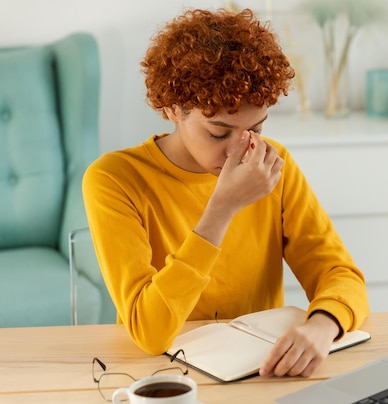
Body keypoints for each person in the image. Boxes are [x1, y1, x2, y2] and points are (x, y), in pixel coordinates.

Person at [83, 8, 369, 378]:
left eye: (256, 130)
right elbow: (149, 331)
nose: (241, 151)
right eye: (219, 133)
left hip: (262, 373)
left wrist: (322, 326)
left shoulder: (273, 167)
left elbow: (340, 274)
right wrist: (223, 207)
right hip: (164, 379)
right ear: (172, 108)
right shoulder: (115, 180)